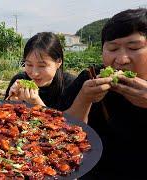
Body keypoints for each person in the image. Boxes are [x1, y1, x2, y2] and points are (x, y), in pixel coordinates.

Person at [63, 8, 147, 179]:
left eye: (134, 47)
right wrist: (84, 99)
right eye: (113, 48)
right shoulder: (89, 78)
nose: (122, 59)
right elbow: (62, 132)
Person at [5, 32, 75, 110]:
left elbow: (71, 121)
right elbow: (0, 114)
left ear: (58, 62)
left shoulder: (71, 85)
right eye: (29, 64)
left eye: (42, 66)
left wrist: (37, 104)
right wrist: (13, 103)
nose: (35, 73)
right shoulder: (19, 80)